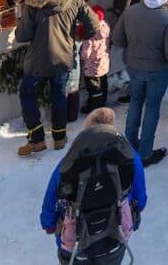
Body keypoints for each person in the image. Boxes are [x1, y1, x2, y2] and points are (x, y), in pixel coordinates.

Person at [40, 108, 146, 265]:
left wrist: (48, 224)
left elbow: (50, 201)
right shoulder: (129, 157)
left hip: (75, 243)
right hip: (114, 237)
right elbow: (140, 201)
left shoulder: (68, 164)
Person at [16, 0, 101, 156]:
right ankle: (59, 138)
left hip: (36, 62)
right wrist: (78, 37)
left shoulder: (33, 4)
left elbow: (22, 36)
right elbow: (94, 25)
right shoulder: (75, 0)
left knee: (27, 95)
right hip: (63, 59)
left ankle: (37, 139)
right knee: (59, 96)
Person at [111, 0, 168, 167]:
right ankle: (145, 153)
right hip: (158, 70)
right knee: (151, 108)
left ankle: (129, 148)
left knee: (135, 102)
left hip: (133, 66)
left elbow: (117, 39)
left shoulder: (131, 11)